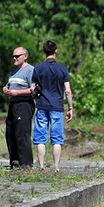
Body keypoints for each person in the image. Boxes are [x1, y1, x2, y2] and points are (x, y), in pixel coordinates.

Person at [32, 40, 73, 172]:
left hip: (42, 106)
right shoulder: (62, 69)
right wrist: (70, 107)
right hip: (57, 107)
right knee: (57, 138)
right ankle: (56, 167)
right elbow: (67, 91)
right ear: (56, 51)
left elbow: (33, 89)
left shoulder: (38, 68)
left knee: (40, 138)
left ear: (44, 51)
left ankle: (42, 166)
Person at [3, 47, 35, 169]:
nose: (14, 58)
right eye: (13, 56)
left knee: (22, 134)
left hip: (24, 104)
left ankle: (26, 164)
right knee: (10, 133)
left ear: (25, 56)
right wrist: (6, 88)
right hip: (13, 104)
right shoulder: (14, 71)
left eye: (17, 56)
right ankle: (15, 162)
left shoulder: (30, 70)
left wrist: (17, 93)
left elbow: (33, 89)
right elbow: (10, 84)